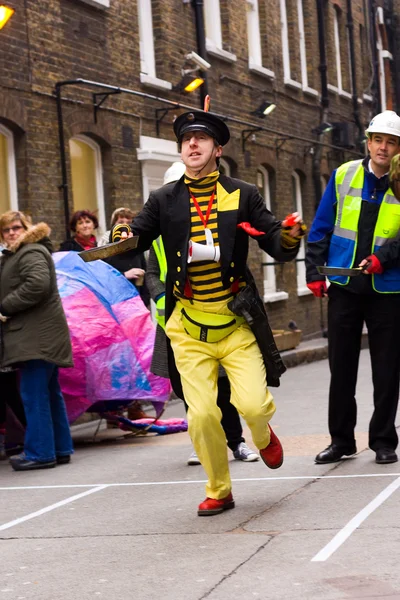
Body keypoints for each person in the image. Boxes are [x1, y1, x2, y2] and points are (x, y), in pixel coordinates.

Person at [108, 111, 304, 515]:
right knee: (201, 417)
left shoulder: (241, 193)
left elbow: (275, 240)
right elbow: (136, 237)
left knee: (251, 406)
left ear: (218, 149)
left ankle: (263, 436)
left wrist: (288, 235)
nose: (192, 145)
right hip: (188, 326)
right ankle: (219, 489)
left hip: (234, 324)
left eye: (201, 139)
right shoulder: (164, 199)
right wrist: (122, 237)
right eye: (186, 140)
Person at [147, 161, 259, 465]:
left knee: (222, 386)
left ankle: (236, 442)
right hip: (175, 321)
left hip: (213, 318)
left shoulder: (213, 228)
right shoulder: (157, 237)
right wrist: (163, 297)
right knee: (189, 389)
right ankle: (205, 444)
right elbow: (153, 273)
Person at [305, 110, 400, 466]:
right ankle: (341, 440)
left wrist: (383, 258)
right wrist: (314, 272)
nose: (383, 147)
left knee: (387, 370)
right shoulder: (344, 174)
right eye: (378, 140)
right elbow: (321, 226)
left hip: (388, 288)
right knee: (341, 368)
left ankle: (383, 441)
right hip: (344, 285)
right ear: (369, 142)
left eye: (391, 142)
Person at [0, 211, 74, 471]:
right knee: (49, 394)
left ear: (25, 228)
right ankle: (60, 448)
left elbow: (37, 284)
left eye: (16, 227)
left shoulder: (29, 251)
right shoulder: (22, 252)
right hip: (41, 335)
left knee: (33, 395)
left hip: (36, 337)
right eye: (6, 229)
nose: (11, 232)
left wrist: (5, 307)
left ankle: (40, 453)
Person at [103, 208, 151, 309]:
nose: (124, 226)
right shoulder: (104, 250)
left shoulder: (138, 249)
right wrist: (124, 275)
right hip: (115, 307)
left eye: (129, 223)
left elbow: (146, 278)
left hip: (137, 306)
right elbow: (102, 279)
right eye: (120, 222)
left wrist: (144, 302)